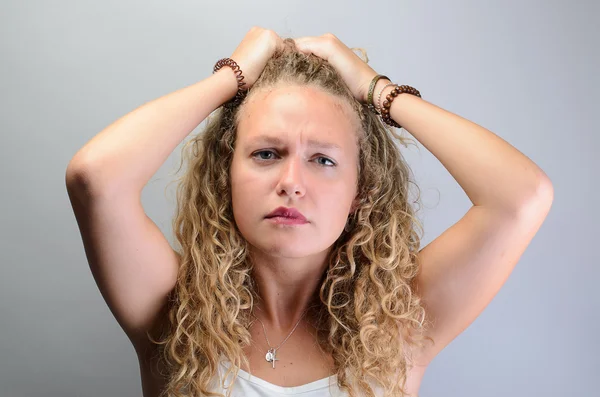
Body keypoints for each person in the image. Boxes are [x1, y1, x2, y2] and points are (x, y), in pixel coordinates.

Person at [65, 27, 554, 397]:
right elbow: (96, 177)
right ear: (225, 176)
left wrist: (376, 89)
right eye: (266, 154)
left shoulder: (402, 321)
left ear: (360, 190)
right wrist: (230, 75)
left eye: (322, 159)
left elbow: (522, 195)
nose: (292, 183)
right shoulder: (173, 309)